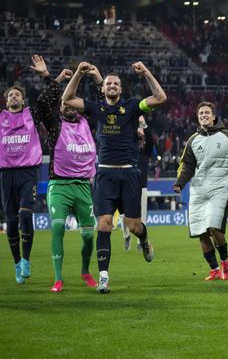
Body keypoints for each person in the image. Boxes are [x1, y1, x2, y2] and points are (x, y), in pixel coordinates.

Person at [62, 61, 167, 293]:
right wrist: (79, 74)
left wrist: (147, 73)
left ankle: (144, 239)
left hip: (129, 173)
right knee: (105, 224)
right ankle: (104, 277)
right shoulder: (96, 108)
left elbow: (160, 98)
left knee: (134, 225)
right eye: (108, 83)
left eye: (115, 84)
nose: (111, 86)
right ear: (103, 88)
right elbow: (67, 99)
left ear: (121, 89)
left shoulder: (132, 106)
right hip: (105, 174)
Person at [31, 55, 99, 292]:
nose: (69, 107)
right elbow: (42, 103)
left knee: (89, 237)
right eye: (65, 104)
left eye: (73, 104)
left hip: (82, 185)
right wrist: (49, 77)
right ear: (60, 107)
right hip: (59, 185)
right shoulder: (54, 124)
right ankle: (58, 278)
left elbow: (105, 105)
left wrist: (99, 79)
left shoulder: (87, 123)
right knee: (58, 227)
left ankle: (85, 271)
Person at [173, 102, 228, 281]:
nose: (203, 115)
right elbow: (187, 165)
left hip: (221, 185)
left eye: (207, 113)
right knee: (200, 232)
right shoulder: (192, 140)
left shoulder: (227, 136)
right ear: (198, 117)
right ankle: (213, 269)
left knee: (213, 226)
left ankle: (225, 262)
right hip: (198, 188)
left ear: (213, 117)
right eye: (201, 113)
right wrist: (180, 183)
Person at [1, 58, 53, 284]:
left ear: (23, 100)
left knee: (24, 215)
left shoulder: (32, 115)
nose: (14, 96)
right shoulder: (0, 119)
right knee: (11, 222)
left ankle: (27, 259)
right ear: (5, 101)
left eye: (17, 94)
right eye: (10, 95)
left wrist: (46, 75)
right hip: (6, 174)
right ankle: (17, 263)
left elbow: (52, 95)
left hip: (28, 172)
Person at [122, 115, 154, 251]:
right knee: (124, 216)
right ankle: (126, 236)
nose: (140, 133)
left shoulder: (145, 152)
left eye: (142, 132)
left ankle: (140, 243)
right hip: (127, 186)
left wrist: (144, 125)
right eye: (138, 131)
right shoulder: (129, 150)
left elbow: (151, 140)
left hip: (142, 188)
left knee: (142, 218)